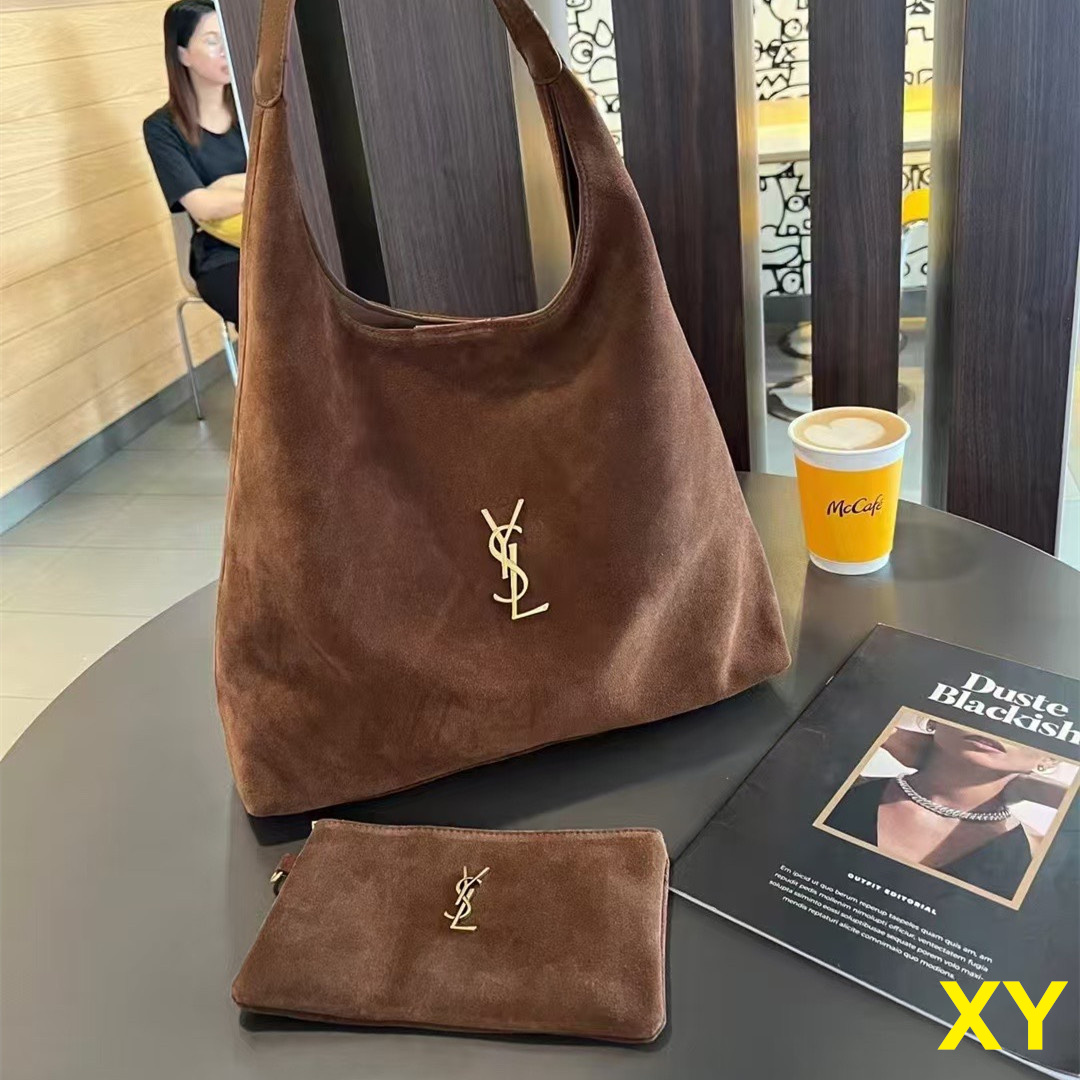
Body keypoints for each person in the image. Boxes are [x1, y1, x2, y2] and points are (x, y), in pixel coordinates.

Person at [826, 719, 1060, 899]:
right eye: (984, 710)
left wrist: (1038, 790)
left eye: (1027, 723)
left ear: (1049, 759)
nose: (997, 727)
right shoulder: (845, 787)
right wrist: (891, 735)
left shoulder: (1037, 853)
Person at [143, 0, 245, 326]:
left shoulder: (253, 106)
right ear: (183, 54)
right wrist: (263, 191)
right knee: (270, 311)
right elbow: (203, 206)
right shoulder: (162, 128)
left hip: (281, 236)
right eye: (212, 41)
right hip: (222, 254)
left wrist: (227, 190)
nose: (225, 50)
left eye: (226, 38)